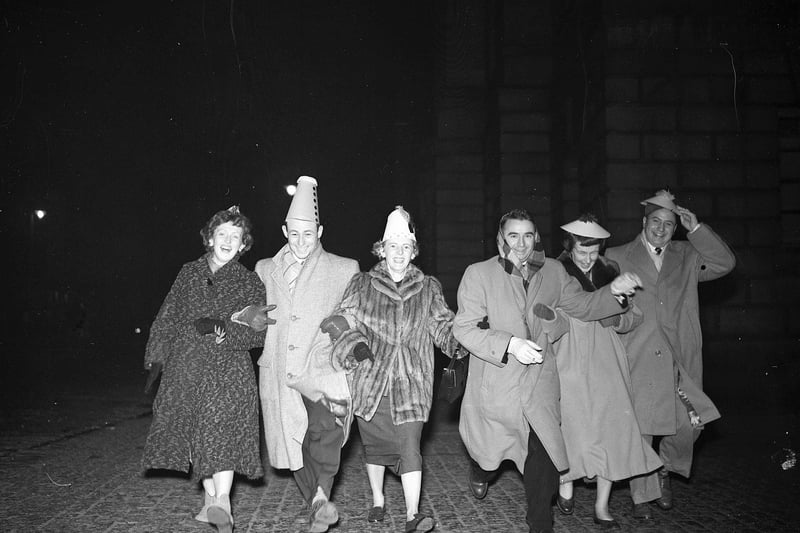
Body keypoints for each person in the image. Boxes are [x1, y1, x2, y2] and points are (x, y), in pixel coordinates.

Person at [452, 208, 642, 533]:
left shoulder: (553, 272)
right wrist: (510, 343)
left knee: (544, 459)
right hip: (499, 383)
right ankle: (481, 471)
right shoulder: (479, 274)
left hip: (540, 381)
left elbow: (583, 307)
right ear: (501, 240)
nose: (522, 244)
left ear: (536, 237)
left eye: (528, 235)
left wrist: (613, 292)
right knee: (490, 452)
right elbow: (464, 329)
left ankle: (540, 525)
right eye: (513, 235)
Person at [325, 206, 461, 533]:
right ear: (381, 248)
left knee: (409, 446)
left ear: (413, 251)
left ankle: (413, 513)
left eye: (405, 247)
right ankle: (377, 500)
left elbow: (442, 325)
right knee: (375, 449)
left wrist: (459, 341)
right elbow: (340, 322)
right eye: (392, 246)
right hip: (371, 381)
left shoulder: (428, 287)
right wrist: (356, 347)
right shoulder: (361, 284)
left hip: (412, 381)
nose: (398, 253)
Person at [142, 205, 273, 533]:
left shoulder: (248, 281)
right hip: (187, 370)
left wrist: (225, 330)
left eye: (236, 236)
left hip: (228, 372)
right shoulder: (189, 272)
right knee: (201, 438)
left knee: (222, 436)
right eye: (222, 234)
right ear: (210, 238)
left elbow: (258, 331)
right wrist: (157, 356)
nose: (228, 240)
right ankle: (211, 504)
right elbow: (168, 314)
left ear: (244, 244)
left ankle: (222, 503)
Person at [605, 190, 735, 519]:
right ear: (643, 222)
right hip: (639, 351)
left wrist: (696, 229)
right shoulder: (618, 254)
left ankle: (666, 469)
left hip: (680, 354)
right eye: (655, 221)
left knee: (690, 422)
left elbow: (724, 263)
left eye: (669, 224)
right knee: (642, 426)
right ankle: (642, 496)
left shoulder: (689, 254)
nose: (661, 229)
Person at [544, 214, 662, 529]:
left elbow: (634, 315)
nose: (587, 258)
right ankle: (565, 482)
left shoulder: (611, 271)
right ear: (569, 248)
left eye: (593, 252)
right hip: (570, 353)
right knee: (572, 423)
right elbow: (559, 310)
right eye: (582, 252)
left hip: (607, 358)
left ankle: (601, 505)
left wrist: (619, 318)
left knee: (612, 428)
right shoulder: (556, 272)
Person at [255, 176, 359, 533]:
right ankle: (316, 500)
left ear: (320, 231)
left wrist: (343, 322)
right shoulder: (264, 269)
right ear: (284, 230)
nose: (301, 242)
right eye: (295, 234)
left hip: (322, 367)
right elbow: (251, 314)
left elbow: (356, 311)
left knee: (325, 431)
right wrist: (242, 319)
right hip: (279, 367)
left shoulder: (345, 268)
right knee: (291, 441)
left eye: (309, 234)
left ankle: (320, 496)